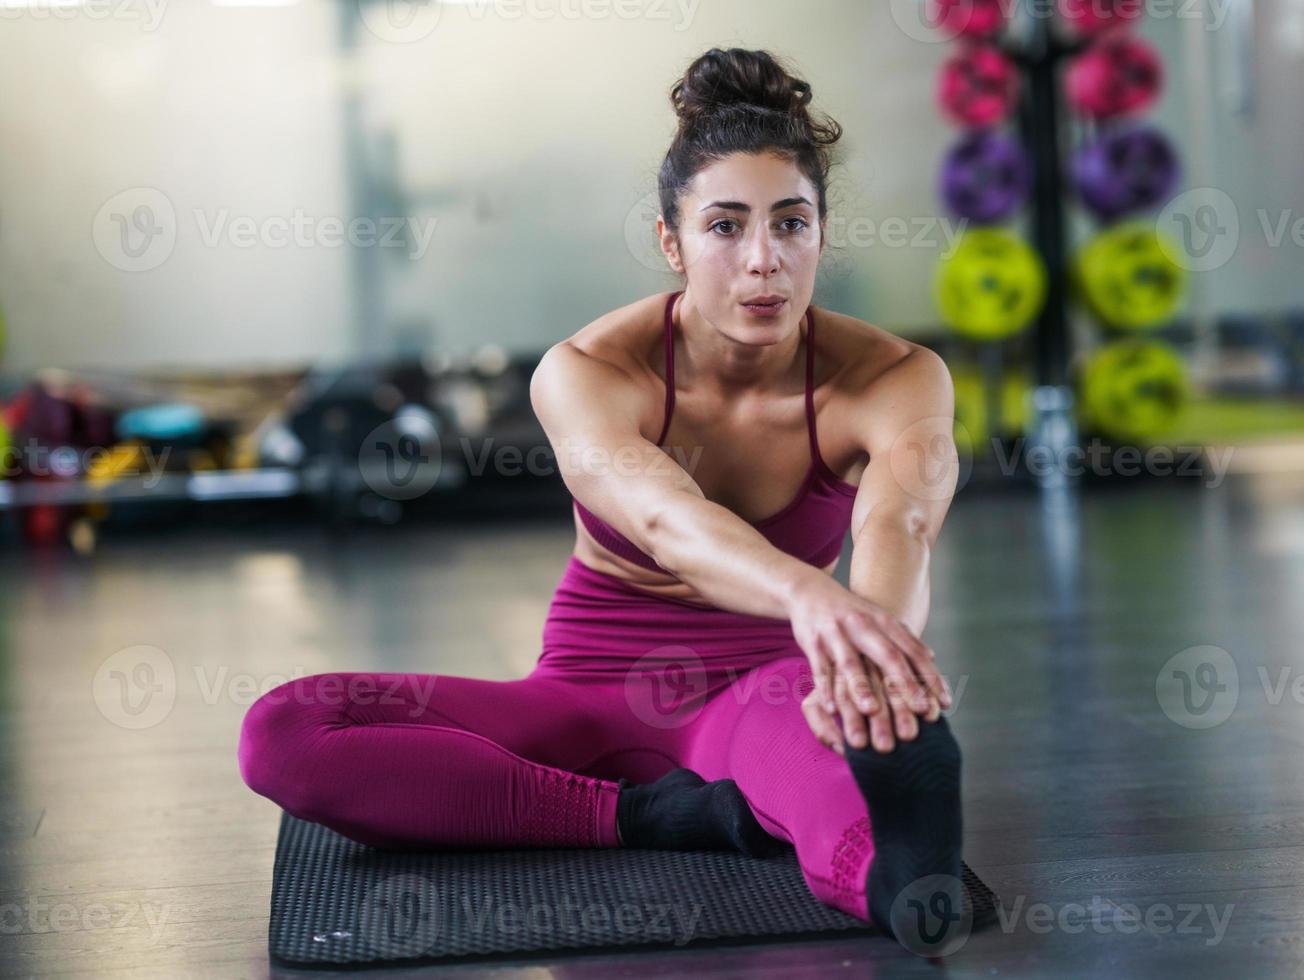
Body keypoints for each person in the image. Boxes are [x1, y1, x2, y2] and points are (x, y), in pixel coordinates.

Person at [238, 47, 966, 952]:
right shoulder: (589, 370)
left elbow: (898, 519)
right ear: (672, 241)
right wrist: (814, 596)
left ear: (822, 232)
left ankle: (902, 879)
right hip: (585, 692)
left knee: (843, 791)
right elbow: (664, 517)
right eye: (726, 227)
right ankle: (650, 816)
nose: (763, 262)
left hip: (764, 687)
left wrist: (874, 661)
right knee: (285, 732)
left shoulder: (894, 376)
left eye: (791, 223)